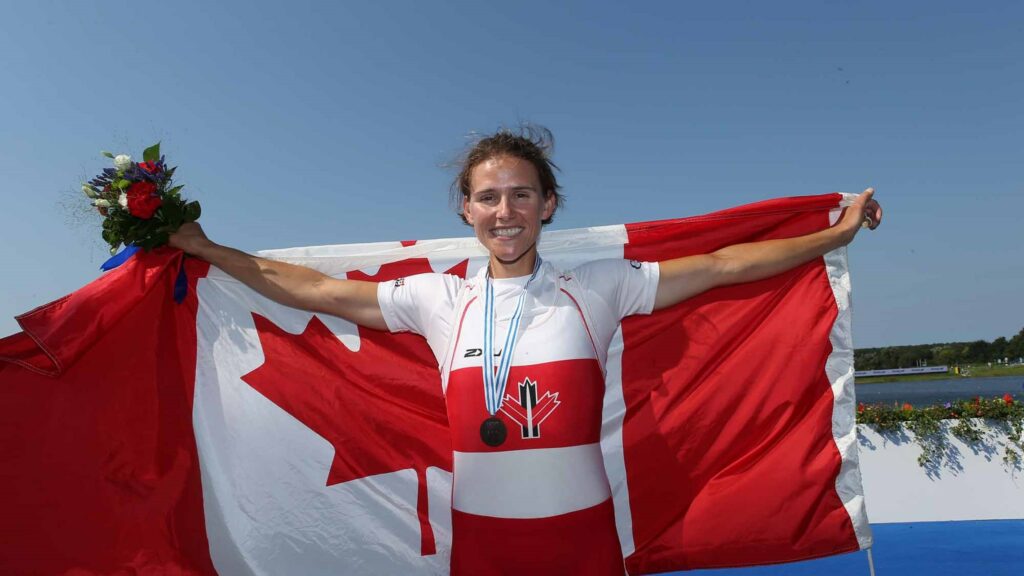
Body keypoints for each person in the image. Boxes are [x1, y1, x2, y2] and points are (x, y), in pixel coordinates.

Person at [168, 125, 882, 575]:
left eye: (519, 195)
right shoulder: (437, 298)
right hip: (483, 542)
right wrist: (206, 250)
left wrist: (833, 237)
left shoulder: (600, 286)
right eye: (487, 198)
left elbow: (727, 265)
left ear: (547, 204)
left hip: (581, 539)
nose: (503, 212)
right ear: (466, 210)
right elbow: (313, 291)